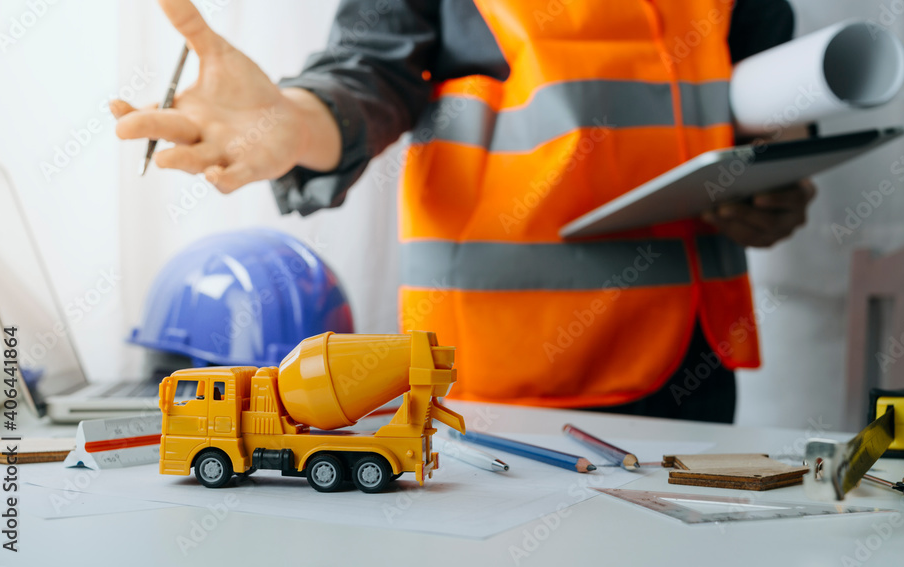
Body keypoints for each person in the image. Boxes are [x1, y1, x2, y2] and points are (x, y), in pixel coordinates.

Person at [112, 0, 815, 423]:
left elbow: (765, 82)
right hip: (495, 371)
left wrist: (777, 177)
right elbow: (372, 71)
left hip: (688, 361)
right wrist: (289, 126)